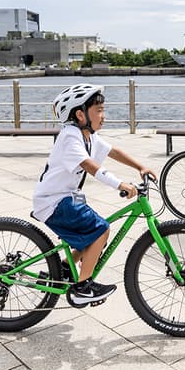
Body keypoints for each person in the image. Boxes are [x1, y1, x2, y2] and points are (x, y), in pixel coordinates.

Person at [33, 84, 156, 307]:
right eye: (98, 110)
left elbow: (112, 151)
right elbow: (91, 166)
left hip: (68, 196)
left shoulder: (87, 135)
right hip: (54, 201)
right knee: (100, 229)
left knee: (99, 228)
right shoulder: (70, 137)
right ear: (80, 114)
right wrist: (120, 184)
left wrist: (140, 167)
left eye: (103, 109)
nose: (103, 115)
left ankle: (63, 267)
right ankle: (82, 288)